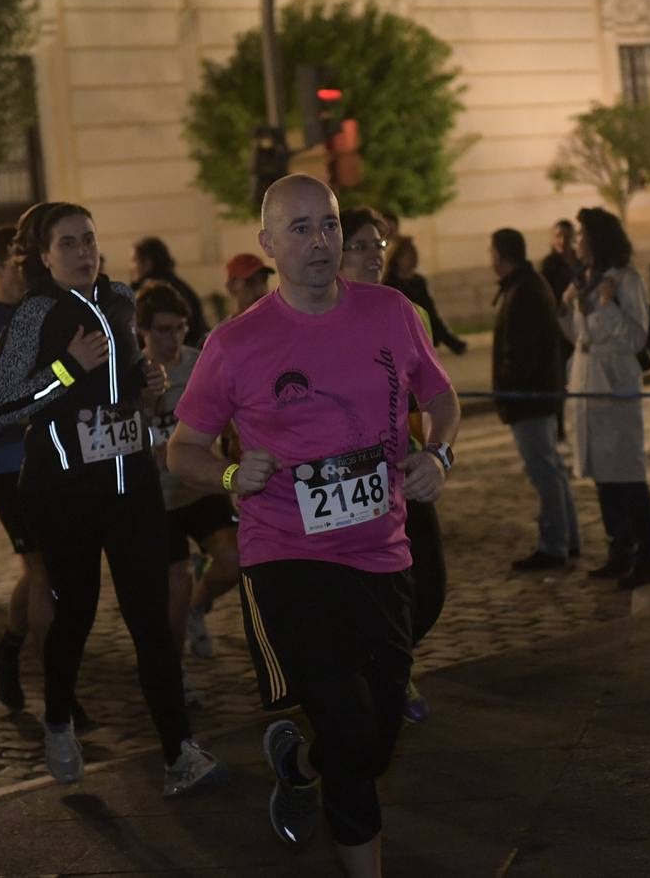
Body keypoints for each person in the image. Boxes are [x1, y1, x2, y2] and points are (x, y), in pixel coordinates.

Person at [170, 174, 459, 877]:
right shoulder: (236, 344)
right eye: (299, 229)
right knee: (349, 727)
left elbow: (440, 395)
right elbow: (182, 452)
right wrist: (237, 477)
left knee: (379, 738)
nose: (319, 241)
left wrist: (439, 455)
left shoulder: (391, 311)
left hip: (382, 555)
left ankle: (300, 764)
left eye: (327, 224)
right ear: (268, 245)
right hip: (286, 560)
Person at [0, 202, 225, 795]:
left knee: (151, 621)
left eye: (88, 239)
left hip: (133, 487)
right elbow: (1, 405)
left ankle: (178, 753)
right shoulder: (33, 314)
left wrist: (149, 382)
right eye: (67, 242)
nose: (83, 251)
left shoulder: (119, 296)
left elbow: (129, 372)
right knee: (76, 616)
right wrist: (67, 368)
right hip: (64, 495)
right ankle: (59, 719)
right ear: (43, 255)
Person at [339, 206, 444, 722]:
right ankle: (385, 677)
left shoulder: (408, 312)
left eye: (378, 244)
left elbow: (434, 396)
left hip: (401, 472)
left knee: (430, 589)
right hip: (344, 483)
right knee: (362, 591)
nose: (373, 254)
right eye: (359, 245)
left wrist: (437, 453)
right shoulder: (317, 316)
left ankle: (385, 661)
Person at [136, 281, 241, 691]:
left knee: (234, 559)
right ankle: (172, 675)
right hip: (158, 499)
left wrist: (233, 441)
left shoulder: (199, 363)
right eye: (162, 329)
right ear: (143, 331)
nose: (173, 338)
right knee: (174, 585)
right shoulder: (133, 375)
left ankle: (199, 608)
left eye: (179, 327)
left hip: (200, 485)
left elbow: (226, 412)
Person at [567, 208, 650, 588]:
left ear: (597, 239)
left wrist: (607, 307)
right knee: (603, 476)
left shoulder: (627, 280)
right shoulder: (588, 281)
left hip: (615, 385)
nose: (577, 241)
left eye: (581, 234)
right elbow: (574, 332)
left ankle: (648, 556)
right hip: (588, 384)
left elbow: (636, 336)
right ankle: (618, 550)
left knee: (626, 473)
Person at [491, 227, 579, 572]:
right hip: (538, 394)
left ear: (501, 254)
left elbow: (522, 351)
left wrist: (509, 384)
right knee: (551, 469)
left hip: (529, 397)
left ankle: (555, 544)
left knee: (543, 470)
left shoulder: (523, 290)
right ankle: (567, 539)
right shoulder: (528, 284)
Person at [382, 236, 468, 355]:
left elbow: (430, 312)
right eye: (408, 255)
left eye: (413, 254)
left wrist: (451, 342)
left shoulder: (418, 282)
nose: (412, 258)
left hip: (421, 339)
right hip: (400, 341)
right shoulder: (389, 284)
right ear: (397, 259)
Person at [130, 236, 209, 347]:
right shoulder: (181, 286)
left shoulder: (150, 293)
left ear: (147, 262)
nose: (132, 267)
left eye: (134, 260)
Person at [539, 218, 580, 304]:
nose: (563, 241)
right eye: (558, 236)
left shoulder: (581, 259)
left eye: (567, 236)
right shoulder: (548, 264)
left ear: (574, 237)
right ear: (553, 239)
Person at [224, 252, 274, 318]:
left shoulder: (277, 319)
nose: (260, 288)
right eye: (251, 281)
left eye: (263, 279)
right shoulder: (228, 327)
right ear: (231, 286)